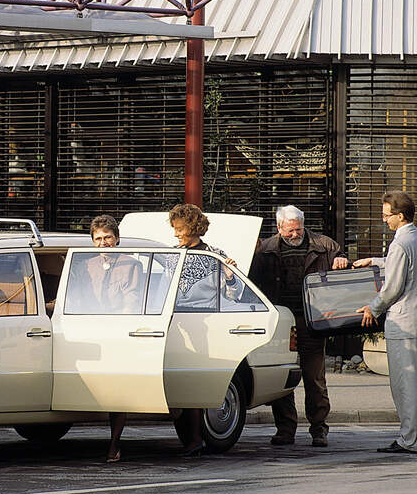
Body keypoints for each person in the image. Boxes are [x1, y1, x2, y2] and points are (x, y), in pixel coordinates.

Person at [249, 205, 348, 447]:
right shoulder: (266, 249)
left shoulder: (325, 245)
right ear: (279, 227)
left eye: (298, 229)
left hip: (312, 321)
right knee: (284, 377)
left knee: (315, 379)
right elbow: (252, 279)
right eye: (290, 230)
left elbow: (342, 265)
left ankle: (319, 429)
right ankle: (285, 429)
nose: (295, 234)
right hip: (282, 322)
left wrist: (343, 260)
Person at [168, 203, 241, 457]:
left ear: (193, 227)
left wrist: (231, 276)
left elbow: (234, 294)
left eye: (180, 229)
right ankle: (188, 439)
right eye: (175, 229)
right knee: (178, 383)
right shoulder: (172, 255)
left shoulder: (215, 255)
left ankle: (195, 439)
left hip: (204, 326)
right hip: (175, 326)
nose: (176, 234)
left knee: (196, 384)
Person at [355, 191, 417, 453]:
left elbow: (392, 287)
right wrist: (376, 260)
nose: (384, 220)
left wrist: (373, 308)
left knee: (405, 385)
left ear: (399, 216)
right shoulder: (413, 238)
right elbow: (403, 265)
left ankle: (409, 439)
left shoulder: (399, 244)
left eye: (386, 215)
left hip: (403, 324)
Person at [84, 214, 143, 463]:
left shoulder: (131, 264)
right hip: (92, 332)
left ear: (117, 239)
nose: (103, 243)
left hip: (119, 332)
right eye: (98, 239)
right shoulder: (88, 264)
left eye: (108, 237)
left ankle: (114, 443)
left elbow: (133, 301)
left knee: (117, 392)